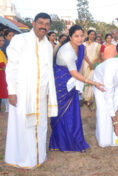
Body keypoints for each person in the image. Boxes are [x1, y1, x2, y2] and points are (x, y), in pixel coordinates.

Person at [5, 12, 58, 168]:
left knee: (41, 125)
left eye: (47, 24)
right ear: (33, 23)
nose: (44, 26)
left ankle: (38, 157)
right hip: (23, 93)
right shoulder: (20, 40)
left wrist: (48, 92)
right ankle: (22, 159)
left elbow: (48, 71)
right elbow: (12, 67)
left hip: (41, 95)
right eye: (40, 23)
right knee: (23, 126)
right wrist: (12, 91)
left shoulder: (48, 45)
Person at [49, 25, 103, 152]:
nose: (79, 39)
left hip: (72, 83)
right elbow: (73, 72)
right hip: (62, 84)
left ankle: (73, 140)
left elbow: (83, 59)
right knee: (62, 114)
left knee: (72, 112)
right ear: (70, 37)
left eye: (81, 36)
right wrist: (92, 82)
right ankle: (59, 143)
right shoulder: (66, 51)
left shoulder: (81, 47)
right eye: (76, 36)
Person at [80, 30, 100, 108]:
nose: (92, 36)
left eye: (94, 35)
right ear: (88, 35)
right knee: (85, 79)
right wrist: (90, 63)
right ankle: (84, 96)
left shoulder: (97, 45)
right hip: (86, 64)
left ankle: (90, 98)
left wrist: (93, 64)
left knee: (92, 79)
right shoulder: (83, 44)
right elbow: (84, 55)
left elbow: (98, 56)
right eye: (91, 34)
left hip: (93, 64)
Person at [0, 34, 8, 114]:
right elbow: (2, 65)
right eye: (0, 41)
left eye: (3, 40)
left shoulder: (1, 51)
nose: (2, 42)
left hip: (2, 73)